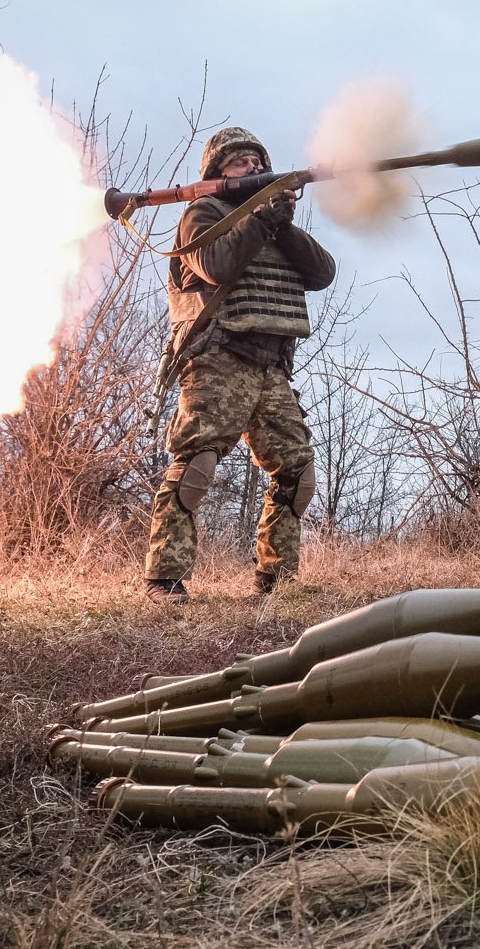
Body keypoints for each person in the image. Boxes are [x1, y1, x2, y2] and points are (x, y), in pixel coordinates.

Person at [144, 126, 337, 599]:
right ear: (216, 172)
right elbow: (218, 265)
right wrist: (261, 221)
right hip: (218, 360)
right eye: (239, 162)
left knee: (297, 472)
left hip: (272, 368)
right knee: (196, 465)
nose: (252, 167)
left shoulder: (273, 226)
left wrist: (281, 224)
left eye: (257, 160)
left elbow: (322, 272)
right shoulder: (201, 213)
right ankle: (164, 579)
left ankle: (276, 579)